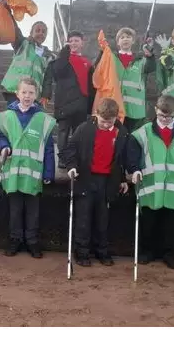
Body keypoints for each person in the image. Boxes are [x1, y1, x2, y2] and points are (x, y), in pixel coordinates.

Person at [126, 94, 174, 270]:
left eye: (169, 116)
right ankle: (147, 252)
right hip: (150, 186)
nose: (165, 119)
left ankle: (169, 254)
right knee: (148, 223)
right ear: (156, 110)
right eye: (161, 115)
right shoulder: (143, 132)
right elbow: (132, 154)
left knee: (171, 223)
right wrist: (134, 170)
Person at [62, 98, 129, 267]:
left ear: (117, 118)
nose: (106, 125)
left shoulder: (122, 133)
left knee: (103, 220)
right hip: (85, 179)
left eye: (110, 122)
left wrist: (122, 179)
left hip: (107, 182)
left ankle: (102, 251)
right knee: (83, 219)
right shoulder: (84, 129)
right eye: (103, 121)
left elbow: (120, 160)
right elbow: (69, 149)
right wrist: (71, 166)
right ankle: (82, 253)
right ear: (96, 115)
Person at [0, 76, 56, 258]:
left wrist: (49, 172)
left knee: (33, 212)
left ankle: (32, 241)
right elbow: (3, 137)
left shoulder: (43, 119)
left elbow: (48, 148)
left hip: (33, 174)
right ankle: (15, 240)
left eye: (31, 93)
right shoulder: (7, 116)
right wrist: (4, 147)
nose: (27, 96)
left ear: (36, 94)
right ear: (17, 93)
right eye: (24, 92)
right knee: (14, 211)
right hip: (13, 172)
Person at [41, 32, 95, 169]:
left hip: (81, 103)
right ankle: (63, 158)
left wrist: (93, 105)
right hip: (64, 102)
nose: (74, 43)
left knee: (79, 132)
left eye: (76, 40)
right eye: (71, 41)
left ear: (82, 43)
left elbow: (92, 85)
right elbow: (57, 72)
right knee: (63, 132)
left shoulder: (87, 63)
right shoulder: (60, 60)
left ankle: (76, 157)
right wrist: (45, 94)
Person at [95, 28, 155, 133]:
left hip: (134, 110)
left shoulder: (141, 59)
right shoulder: (111, 57)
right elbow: (99, 67)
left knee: (131, 139)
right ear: (118, 42)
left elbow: (150, 68)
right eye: (122, 37)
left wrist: (150, 56)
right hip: (115, 107)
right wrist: (102, 51)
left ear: (133, 41)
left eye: (128, 37)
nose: (125, 39)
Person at [0, 0, 55, 105]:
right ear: (31, 32)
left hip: (33, 94)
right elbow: (14, 29)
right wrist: (6, 9)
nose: (40, 33)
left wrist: (46, 95)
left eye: (43, 32)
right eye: (37, 30)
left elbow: (48, 78)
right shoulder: (22, 43)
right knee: (14, 119)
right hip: (14, 90)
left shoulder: (49, 56)